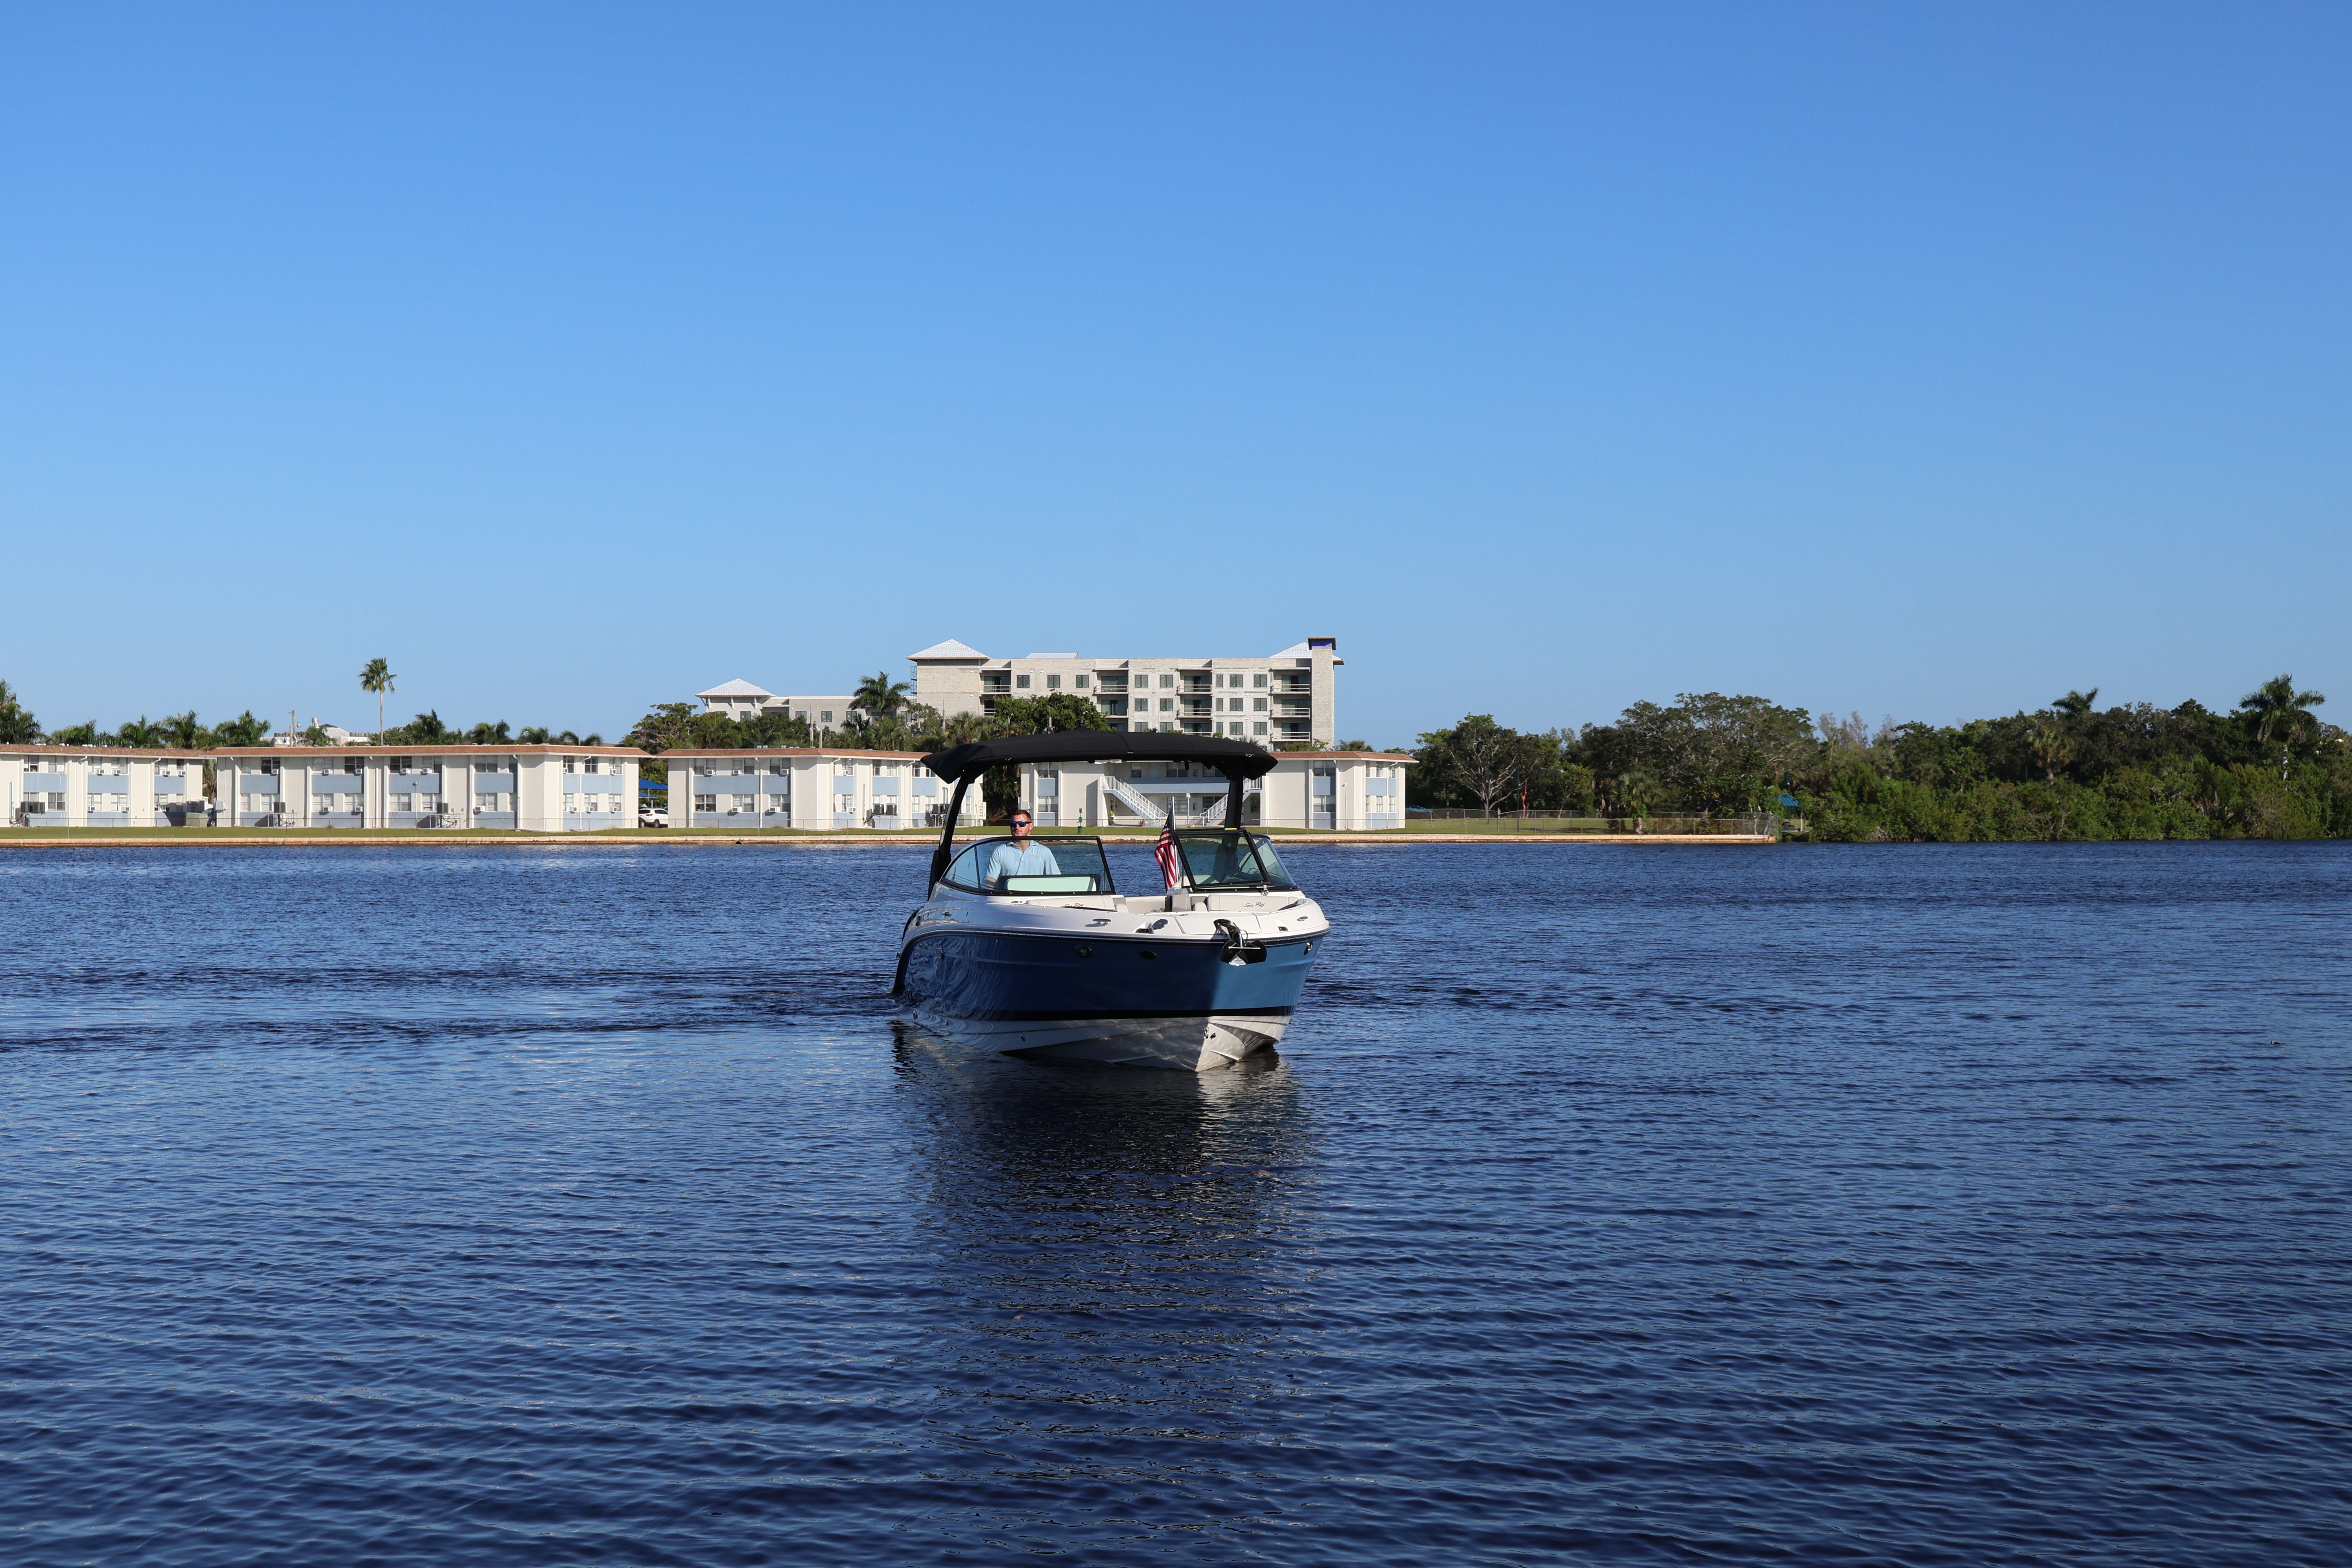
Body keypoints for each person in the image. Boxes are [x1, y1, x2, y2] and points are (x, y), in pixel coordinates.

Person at [985, 809, 1061, 889]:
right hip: (1007, 898)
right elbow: (990, 878)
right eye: (1013, 824)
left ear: (1031, 826)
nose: (1017, 827)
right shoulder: (999, 851)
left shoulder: (1044, 852)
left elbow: (1056, 881)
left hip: (1035, 898)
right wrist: (987, 892)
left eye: (1022, 824)